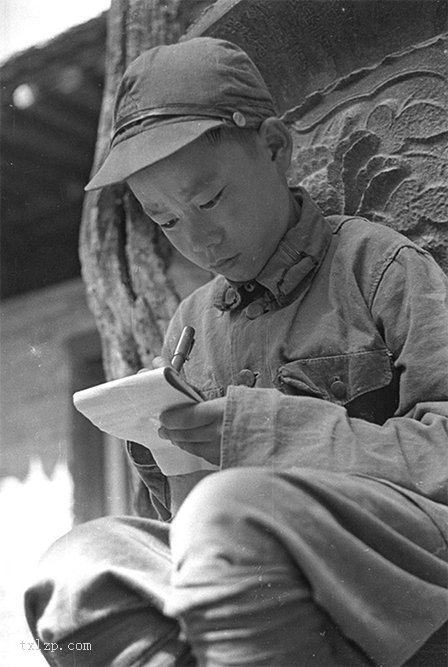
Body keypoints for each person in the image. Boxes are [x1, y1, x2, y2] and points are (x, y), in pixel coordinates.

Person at [25, 37, 448, 667]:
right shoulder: (193, 326)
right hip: (250, 576)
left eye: (209, 200)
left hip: (393, 572)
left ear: (275, 147)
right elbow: (192, 529)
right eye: (166, 221)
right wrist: (164, 455)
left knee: (232, 514)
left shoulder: (378, 268)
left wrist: (267, 431)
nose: (200, 239)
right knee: (79, 571)